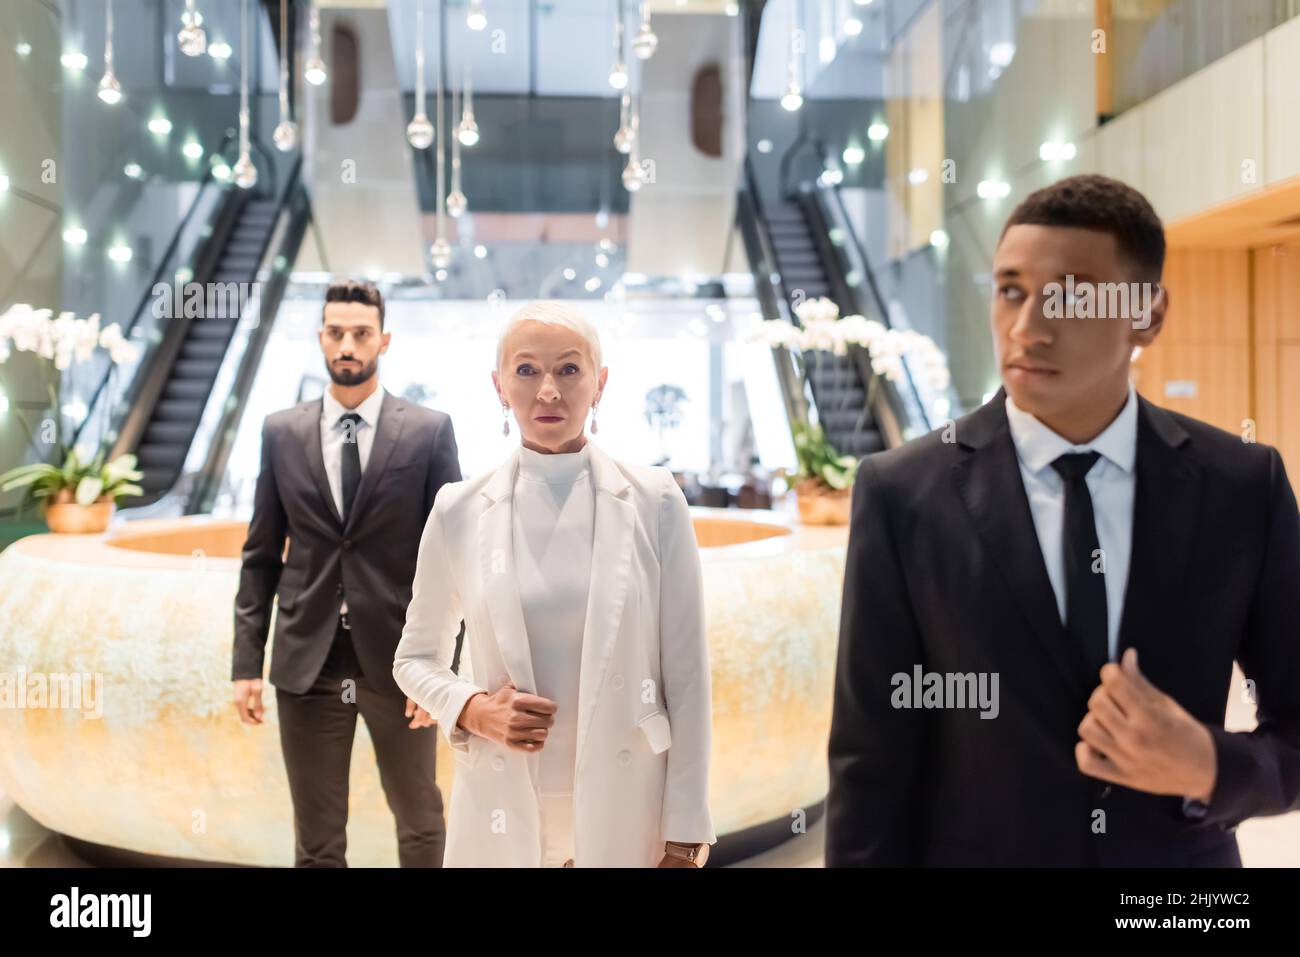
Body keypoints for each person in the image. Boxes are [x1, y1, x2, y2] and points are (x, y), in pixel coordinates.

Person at [826, 174, 1300, 866]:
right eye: (1010, 289)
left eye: (1072, 294)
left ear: (1148, 313)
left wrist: (1210, 765)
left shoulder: (1241, 486)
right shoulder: (904, 493)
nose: (1027, 328)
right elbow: (870, 764)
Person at [393, 300, 715, 867]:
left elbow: (687, 676)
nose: (548, 390)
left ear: (600, 383)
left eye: (569, 369)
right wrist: (472, 708)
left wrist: (686, 834)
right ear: (498, 386)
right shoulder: (459, 509)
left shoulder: (655, 500)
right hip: (502, 797)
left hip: (628, 802)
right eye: (526, 370)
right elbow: (414, 659)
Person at [232, 279, 462, 867]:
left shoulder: (429, 430)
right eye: (336, 333)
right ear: (321, 338)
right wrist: (245, 665)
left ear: (384, 339)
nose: (348, 345)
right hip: (306, 660)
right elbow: (261, 555)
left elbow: (455, 560)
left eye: (361, 333)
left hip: (403, 662)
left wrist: (446, 671)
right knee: (317, 839)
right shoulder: (281, 432)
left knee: (420, 820)